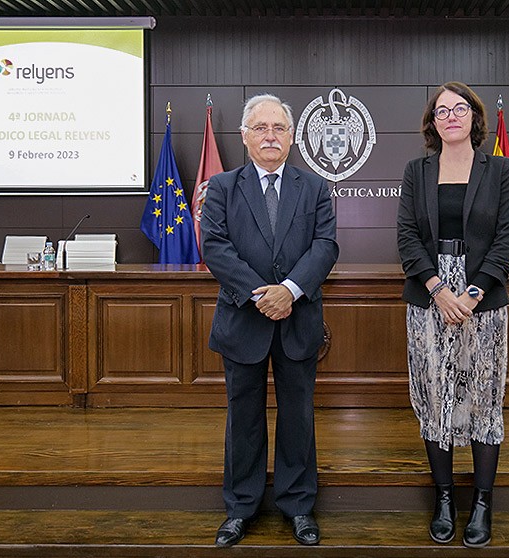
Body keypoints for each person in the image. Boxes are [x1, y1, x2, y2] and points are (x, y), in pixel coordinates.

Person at [201, 94, 339, 548]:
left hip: (298, 320)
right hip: (244, 320)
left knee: (297, 417)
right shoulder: (222, 187)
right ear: (244, 137)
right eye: (260, 128)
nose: (270, 136)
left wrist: (290, 291)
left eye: (279, 128)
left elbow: (325, 247)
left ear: (293, 137)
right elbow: (216, 248)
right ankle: (240, 508)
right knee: (244, 418)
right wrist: (264, 295)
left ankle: (298, 506)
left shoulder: (315, 187)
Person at [396, 82, 509, 548]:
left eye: (459, 108)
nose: (450, 116)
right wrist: (437, 289)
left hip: (481, 297)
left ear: (474, 117)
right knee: (435, 397)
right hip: (428, 296)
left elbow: (507, 237)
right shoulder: (416, 170)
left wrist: (470, 293)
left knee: (484, 399)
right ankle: (444, 498)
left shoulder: (500, 170)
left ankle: (483, 503)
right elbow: (407, 236)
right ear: (432, 121)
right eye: (441, 110)